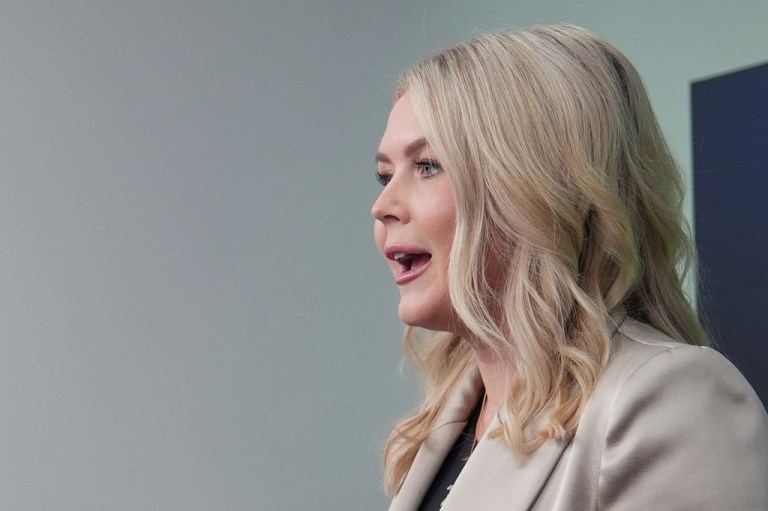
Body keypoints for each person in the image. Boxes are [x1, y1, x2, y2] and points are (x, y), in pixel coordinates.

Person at [371, 24, 768, 510]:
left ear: (533, 187)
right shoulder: (445, 425)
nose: (382, 206)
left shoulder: (671, 399)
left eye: (428, 166)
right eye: (385, 175)